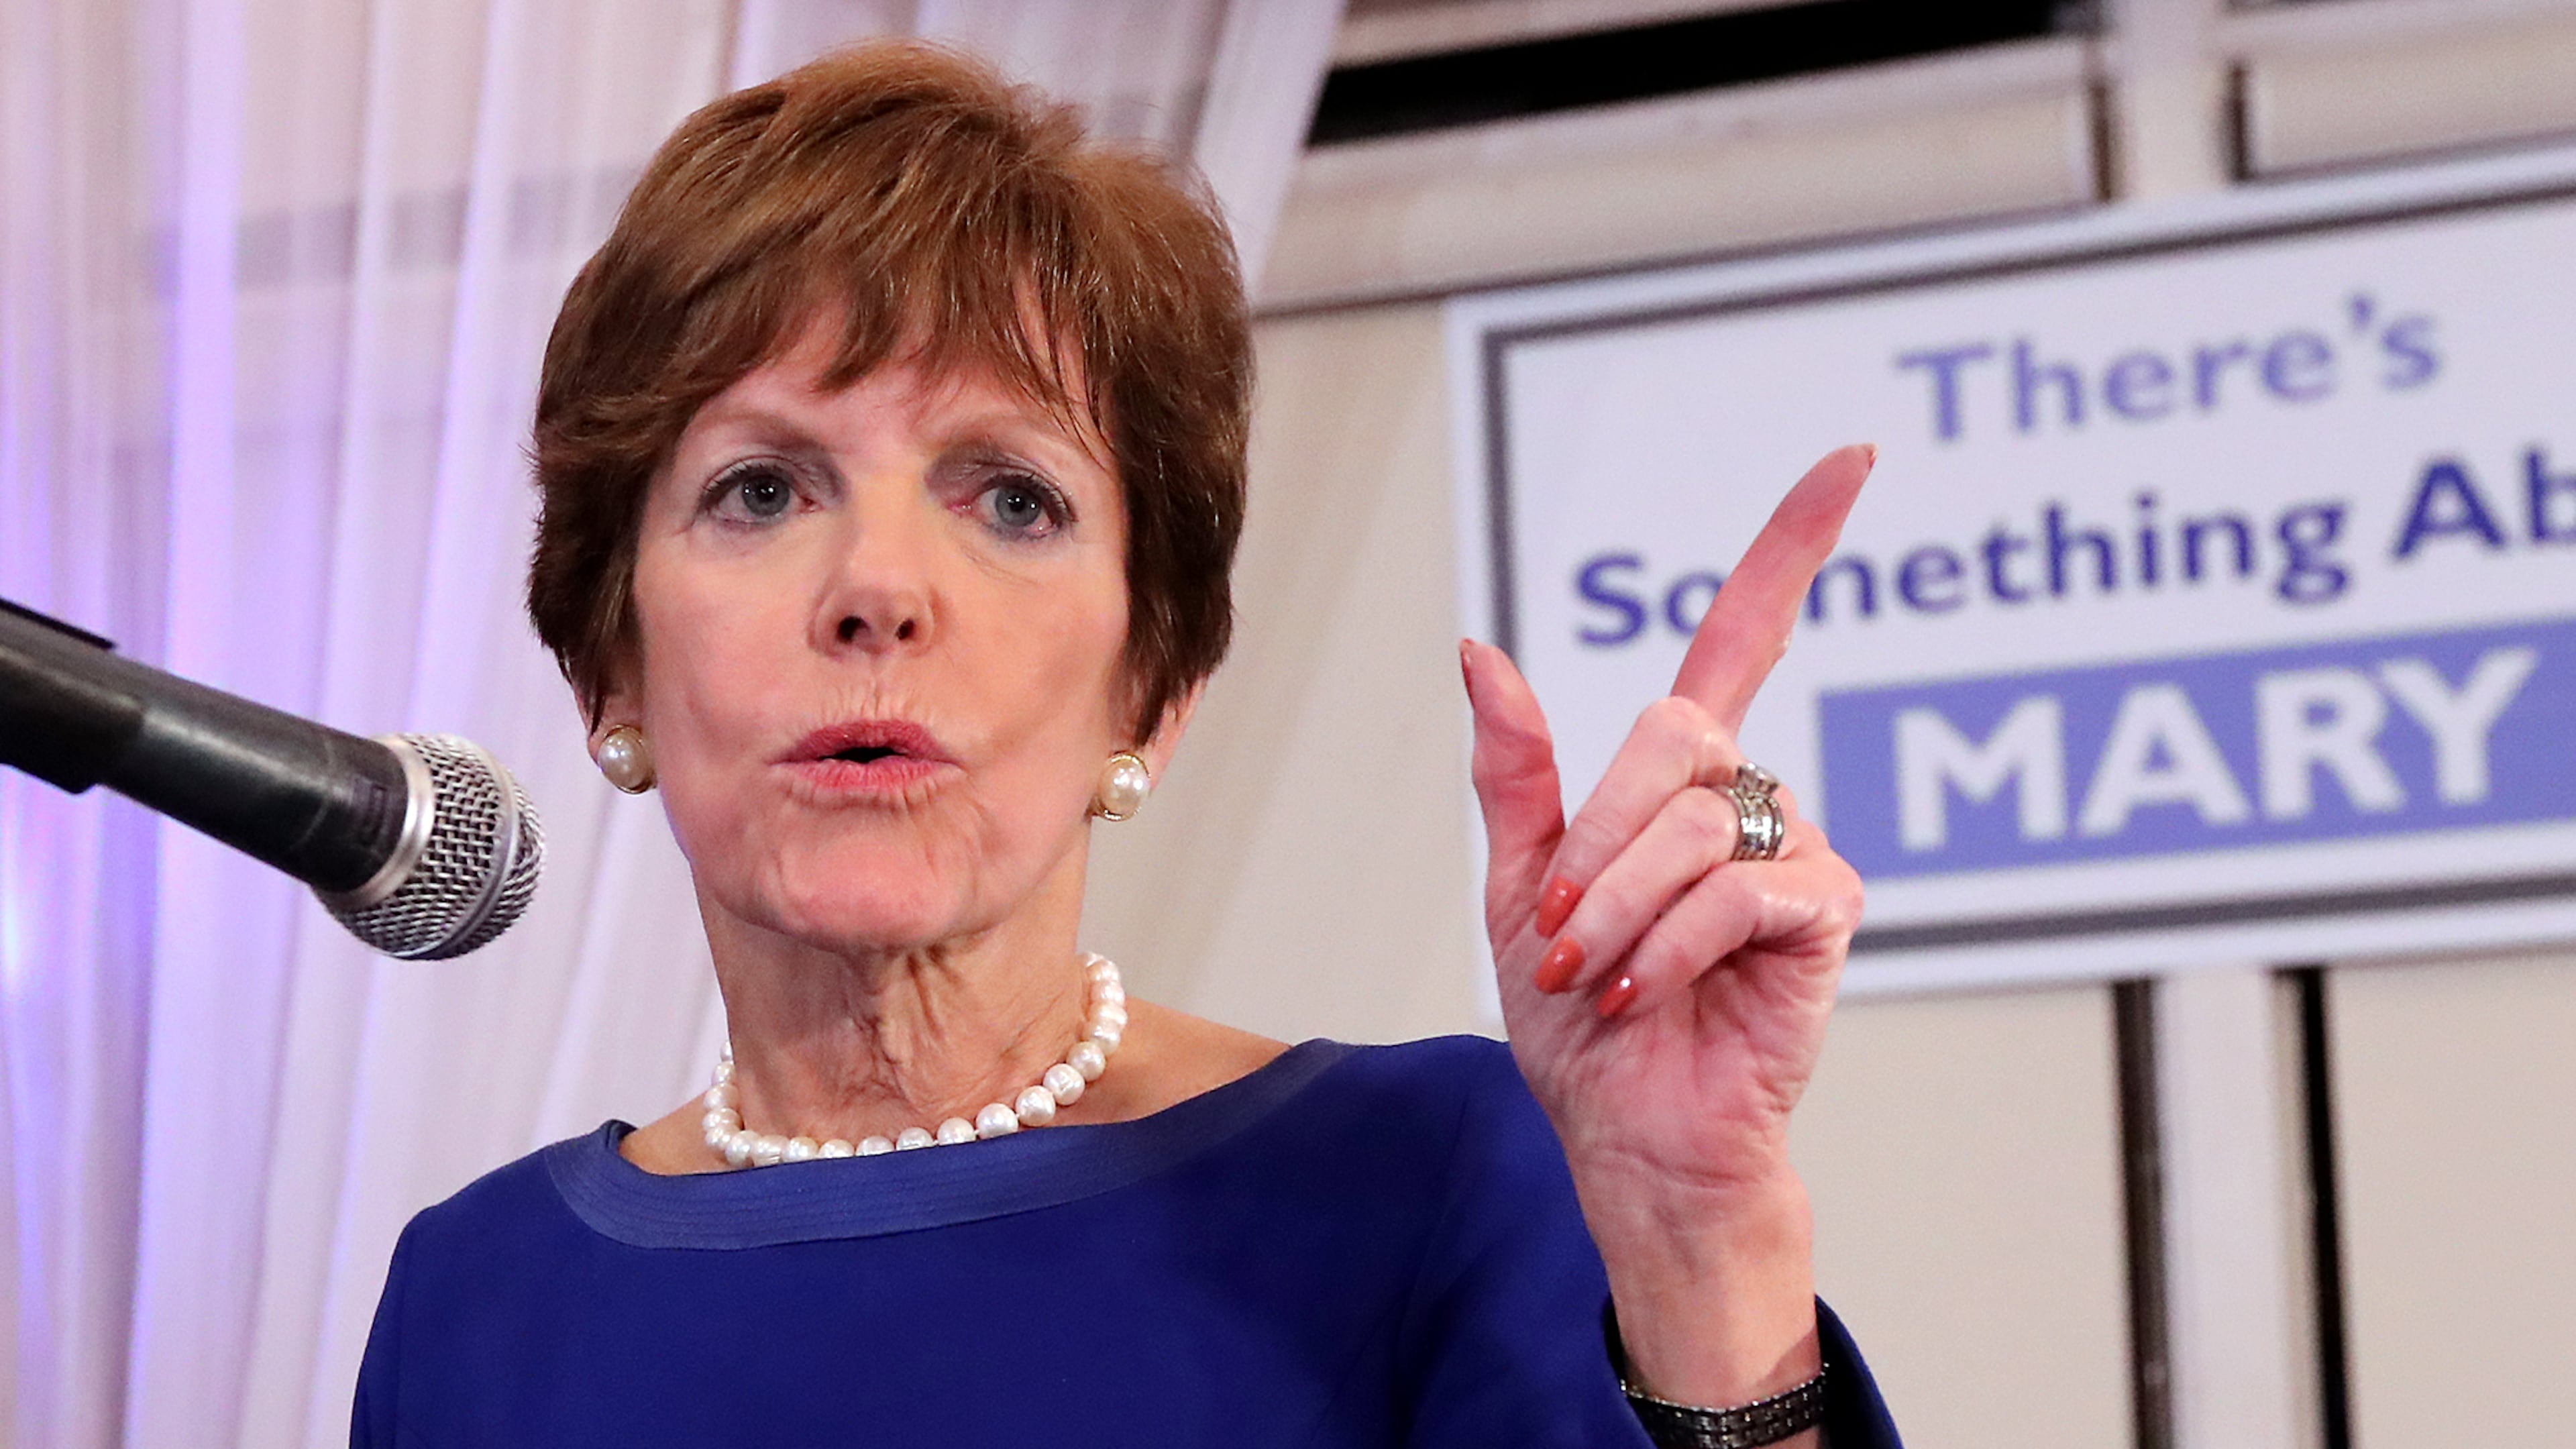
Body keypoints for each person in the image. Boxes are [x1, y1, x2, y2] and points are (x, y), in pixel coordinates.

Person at [352, 40, 1900, 1449]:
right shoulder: (472, 1305)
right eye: (762, 489)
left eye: (1011, 498)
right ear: (608, 663)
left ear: (1152, 686)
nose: (879, 588)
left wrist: (1705, 1255)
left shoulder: (1435, 1178)